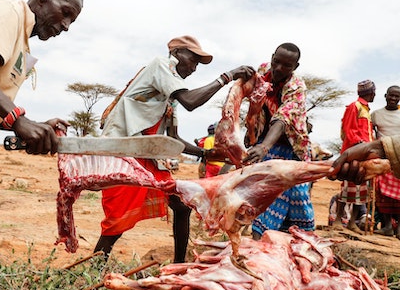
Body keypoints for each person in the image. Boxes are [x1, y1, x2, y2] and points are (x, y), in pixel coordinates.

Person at [95, 35, 255, 262]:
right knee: (118, 219)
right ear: (177, 53)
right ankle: (94, 266)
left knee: (182, 206)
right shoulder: (160, 66)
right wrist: (226, 77)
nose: (194, 68)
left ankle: (179, 265)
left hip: (146, 153)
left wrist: (204, 154)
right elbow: (191, 101)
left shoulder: (169, 97)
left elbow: (173, 137)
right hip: (126, 150)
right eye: (193, 60)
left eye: (198, 64)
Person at [0, 0, 83, 290]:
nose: (67, 26)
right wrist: (17, 119)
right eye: (66, 12)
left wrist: (33, 125)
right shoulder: (9, 12)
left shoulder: (24, 50)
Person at [242, 42, 314, 239]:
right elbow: (254, 103)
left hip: (291, 147)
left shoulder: (296, 86)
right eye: (277, 62)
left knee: (298, 194)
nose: (279, 68)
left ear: (295, 67)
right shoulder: (263, 71)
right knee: (267, 190)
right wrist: (251, 133)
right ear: (272, 57)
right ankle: (259, 240)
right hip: (266, 139)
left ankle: (301, 241)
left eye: (287, 65)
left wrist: (264, 147)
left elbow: (282, 119)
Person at [330, 80, 376, 234]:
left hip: (365, 154)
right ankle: (337, 220)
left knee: (362, 189)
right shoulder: (354, 106)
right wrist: (361, 145)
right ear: (370, 92)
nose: (375, 94)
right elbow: (349, 130)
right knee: (348, 187)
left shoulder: (366, 109)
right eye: (374, 92)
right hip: (354, 153)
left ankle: (351, 222)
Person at [370, 85, 400, 236]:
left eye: (397, 96)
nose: (393, 99)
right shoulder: (375, 114)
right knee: (382, 192)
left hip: (399, 158)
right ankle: (387, 226)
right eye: (391, 95)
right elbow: (370, 133)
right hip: (382, 157)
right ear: (385, 95)